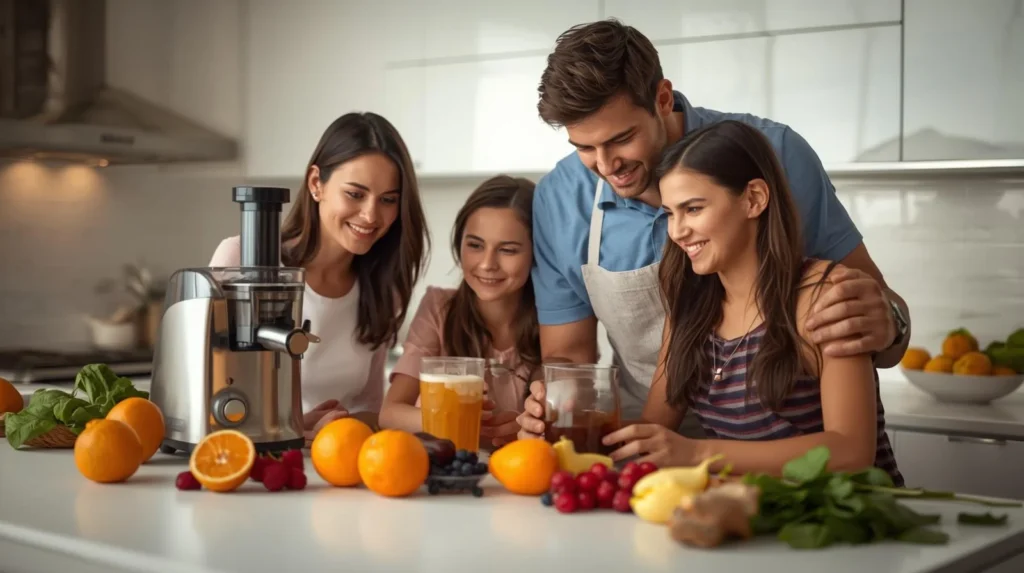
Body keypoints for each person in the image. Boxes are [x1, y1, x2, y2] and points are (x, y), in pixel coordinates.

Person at [517, 20, 911, 439]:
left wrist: (890, 324)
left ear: (662, 98)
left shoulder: (773, 157)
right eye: (584, 148)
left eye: (622, 138)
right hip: (650, 438)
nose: (606, 165)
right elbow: (568, 358)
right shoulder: (561, 199)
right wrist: (555, 406)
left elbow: (874, 325)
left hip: (795, 451)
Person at [599, 120, 902, 483]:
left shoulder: (823, 293)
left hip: (856, 525)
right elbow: (652, 432)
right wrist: (563, 426)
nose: (677, 231)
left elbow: (851, 452)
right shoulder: (690, 308)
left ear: (754, 199)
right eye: (670, 214)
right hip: (761, 521)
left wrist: (697, 452)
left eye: (693, 209)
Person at [209, 112, 430, 441]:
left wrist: (337, 428)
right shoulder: (240, 261)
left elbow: (370, 406)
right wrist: (297, 429)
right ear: (316, 184)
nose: (371, 215)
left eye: (388, 200)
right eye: (355, 194)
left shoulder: (385, 288)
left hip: (339, 465)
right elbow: (209, 396)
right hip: (254, 461)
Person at [380, 175, 538, 449]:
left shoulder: (555, 322)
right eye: (475, 245)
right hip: (448, 475)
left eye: (508, 250)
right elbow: (390, 413)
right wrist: (455, 417)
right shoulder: (439, 308)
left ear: (538, 253)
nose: (487, 264)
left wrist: (529, 425)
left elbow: (559, 421)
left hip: (518, 476)